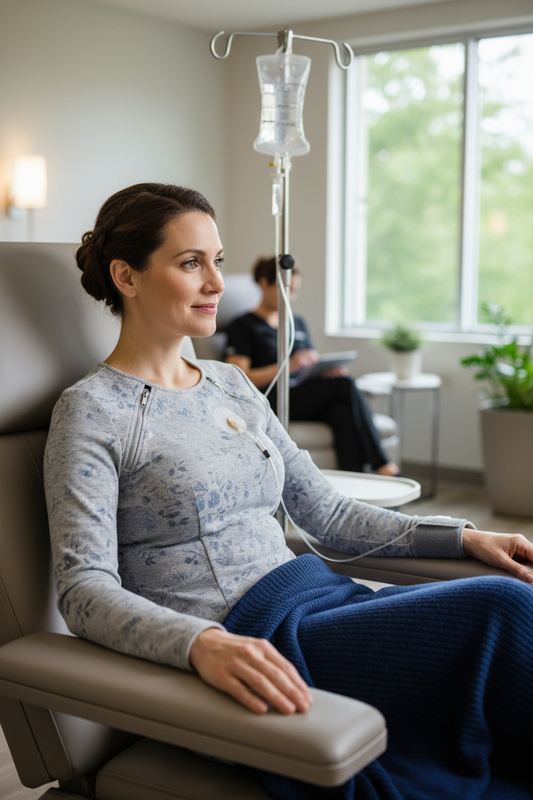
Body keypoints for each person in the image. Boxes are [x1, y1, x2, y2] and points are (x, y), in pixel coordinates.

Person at [44, 183, 533, 800]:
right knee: (501, 607)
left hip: (322, 602)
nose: (218, 283)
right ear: (127, 276)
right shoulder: (92, 411)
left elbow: (323, 510)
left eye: (217, 261)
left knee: (498, 603)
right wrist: (201, 645)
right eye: (191, 263)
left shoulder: (229, 384)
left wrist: (461, 536)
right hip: (258, 639)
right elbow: (83, 590)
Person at [224, 256, 400, 476]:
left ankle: (351, 485)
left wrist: (325, 371)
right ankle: (383, 465)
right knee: (344, 385)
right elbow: (236, 378)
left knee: (341, 411)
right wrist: (285, 366)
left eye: (295, 291)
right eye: (286, 290)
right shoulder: (244, 325)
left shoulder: (296, 322)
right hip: (274, 398)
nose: (291, 297)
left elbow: (310, 363)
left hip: (303, 392)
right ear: (264, 284)